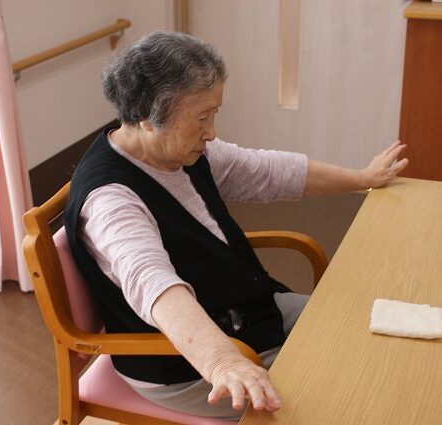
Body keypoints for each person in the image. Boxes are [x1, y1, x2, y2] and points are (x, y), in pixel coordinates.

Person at [64, 31, 408, 420]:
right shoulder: (111, 202)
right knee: (350, 391)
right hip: (185, 364)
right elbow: (155, 286)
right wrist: (222, 362)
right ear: (147, 118)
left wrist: (361, 178)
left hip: (246, 311)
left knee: (367, 331)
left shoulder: (179, 151)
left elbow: (267, 171)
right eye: (201, 118)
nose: (211, 132)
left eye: (214, 114)